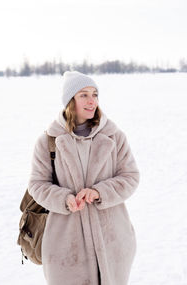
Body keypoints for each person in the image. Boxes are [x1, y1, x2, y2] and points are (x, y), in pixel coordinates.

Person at [28, 71, 140, 285]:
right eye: (84, 95)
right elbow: (37, 184)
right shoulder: (47, 141)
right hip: (66, 248)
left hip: (113, 243)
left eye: (95, 94)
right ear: (71, 100)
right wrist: (65, 199)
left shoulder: (114, 137)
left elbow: (130, 176)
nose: (92, 101)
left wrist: (100, 192)